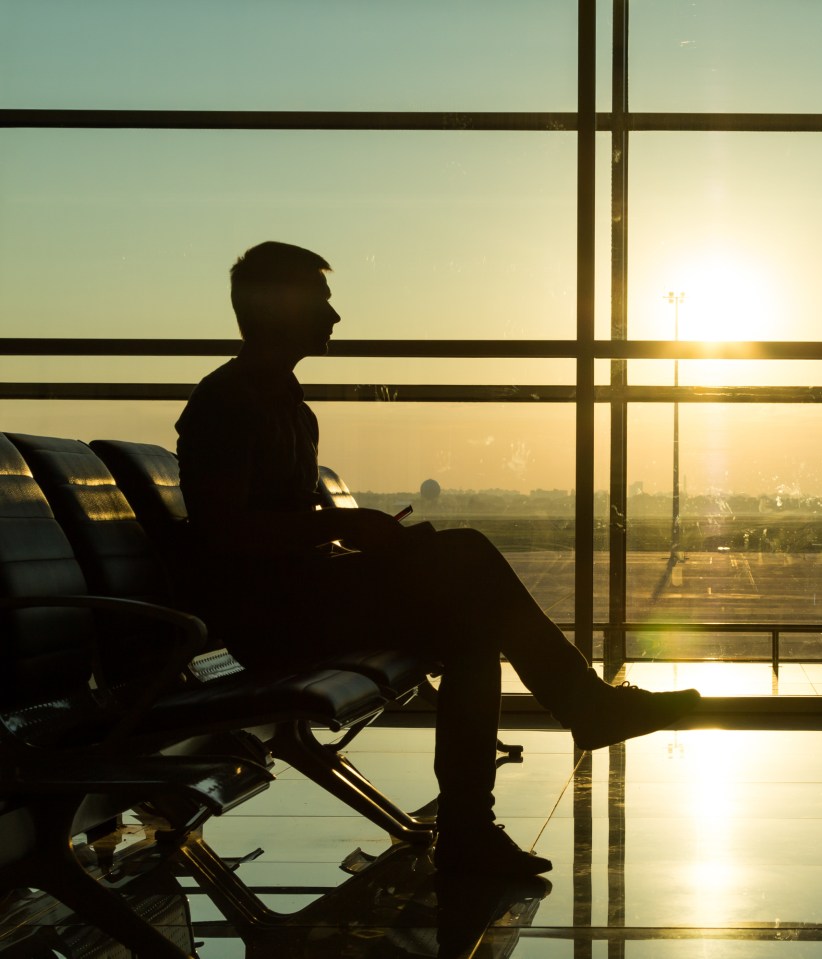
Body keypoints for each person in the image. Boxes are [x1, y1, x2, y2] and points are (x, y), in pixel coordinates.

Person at [174, 241, 700, 876]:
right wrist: (346, 525)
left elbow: (273, 526)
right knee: (468, 553)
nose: (335, 317)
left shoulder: (281, 403)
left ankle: (472, 829)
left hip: (296, 598)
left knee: (472, 631)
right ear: (280, 306)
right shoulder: (227, 403)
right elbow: (224, 534)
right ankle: (580, 708)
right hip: (270, 620)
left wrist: (368, 535)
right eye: (321, 300)